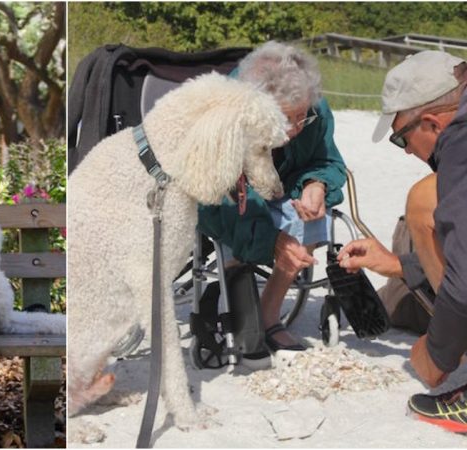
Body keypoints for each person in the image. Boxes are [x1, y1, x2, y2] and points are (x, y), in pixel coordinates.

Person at [338, 50, 467, 433]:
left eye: (401, 138)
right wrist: (400, 266)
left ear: (431, 122)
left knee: (424, 200)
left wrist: (436, 355)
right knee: (427, 197)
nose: (407, 150)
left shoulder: (460, 143)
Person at [197, 41, 346, 355]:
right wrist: (274, 239)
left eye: (300, 117)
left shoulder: (315, 107)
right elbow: (216, 203)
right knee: (237, 220)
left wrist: (316, 183)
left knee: (312, 215)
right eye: (283, 118)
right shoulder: (225, 117)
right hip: (228, 204)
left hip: (283, 194)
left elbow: (329, 161)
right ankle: (241, 316)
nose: (292, 130)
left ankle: (268, 315)